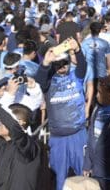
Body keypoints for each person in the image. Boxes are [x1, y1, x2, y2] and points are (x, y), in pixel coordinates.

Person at [35, 38, 87, 190]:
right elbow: (39, 80)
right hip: (58, 139)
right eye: (57, 64)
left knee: (84, 175)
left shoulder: (77, 75)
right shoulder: (48, 82)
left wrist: (77, 50)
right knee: (59, 179)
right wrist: (45, 63)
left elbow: (83, 65)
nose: (61, 66)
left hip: (79, 135)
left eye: (64, 63)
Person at [81, 22, 110, 119]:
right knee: (101, 94)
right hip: (101, 72)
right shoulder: (105, 43)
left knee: (90, 95)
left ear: (90, 30)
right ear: (100, 31)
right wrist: (109, 70)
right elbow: (108, 59)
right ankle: (100, 115)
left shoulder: (84, 43)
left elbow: (82, 58)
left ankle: (90, 115)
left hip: (89, 74)